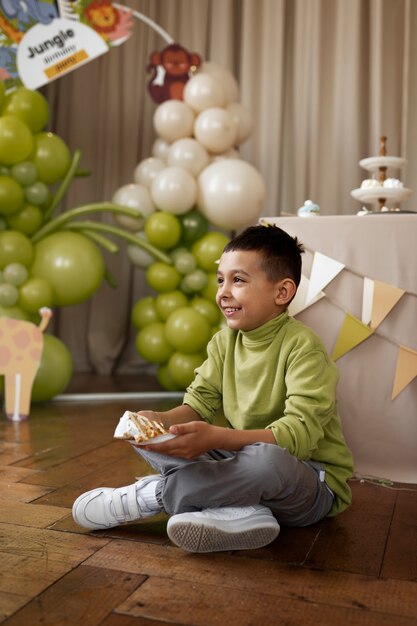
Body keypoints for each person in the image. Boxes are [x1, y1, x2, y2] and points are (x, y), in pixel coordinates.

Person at [72, 224, 354, 553]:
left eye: (238, 280)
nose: (223, 292)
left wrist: (215, 437)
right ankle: (239, 510)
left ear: (282, 292)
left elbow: (297, 439)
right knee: (151, 439)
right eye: (221, 279)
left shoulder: (304, 349)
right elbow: (198, 403)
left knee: (266, 461)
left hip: (308, 480)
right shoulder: (223, 342)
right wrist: (159, 420)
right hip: (243, 459)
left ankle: (154, 496)